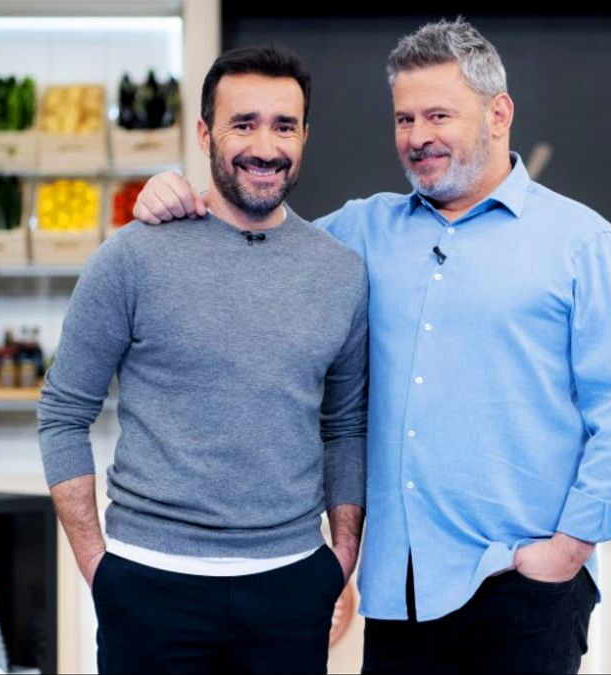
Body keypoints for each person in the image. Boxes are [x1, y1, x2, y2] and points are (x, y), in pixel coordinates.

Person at [134, 19, 611, 675]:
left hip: (522, 587)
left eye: (438, 115)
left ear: (498, 114)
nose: (417, 136)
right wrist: (177, 197)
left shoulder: (583, 245)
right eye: (404, 119)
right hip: (399, 596)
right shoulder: (361, 231)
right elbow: (254, 248)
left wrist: (567, 550)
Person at [38, 44, 369, 674]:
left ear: (305, 135)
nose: (265, 146)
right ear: (203, 133)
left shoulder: (340, 272)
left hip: (291, 585)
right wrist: (97, 566)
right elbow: (62, 413)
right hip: (148, 584)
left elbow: (345, 426)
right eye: (243, 124)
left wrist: (342, 556)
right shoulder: (132, 258)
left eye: (284, 126)